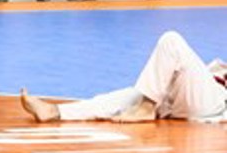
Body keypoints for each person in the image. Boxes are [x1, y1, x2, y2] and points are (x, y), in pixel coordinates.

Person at [21, 31, 226, 124]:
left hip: (214, 104)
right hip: (188, 94)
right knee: (123, 97)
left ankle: (146, 109)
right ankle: (54, 112)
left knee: (171, 41)